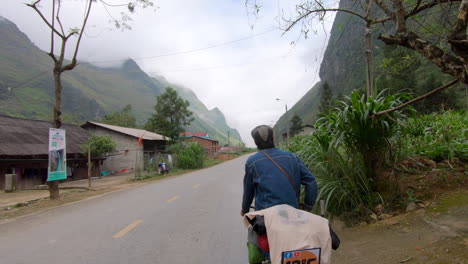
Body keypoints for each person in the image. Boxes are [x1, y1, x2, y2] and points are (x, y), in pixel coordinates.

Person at [241, 125, 318, 216]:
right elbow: (311, 181)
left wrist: (244, 209)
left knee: (254, 229)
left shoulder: (252, 162)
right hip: (293, 212)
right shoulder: (292, 157)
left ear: (255, 142)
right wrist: (308, 206)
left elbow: (248, 191)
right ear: (273, 138)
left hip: (266, 216)